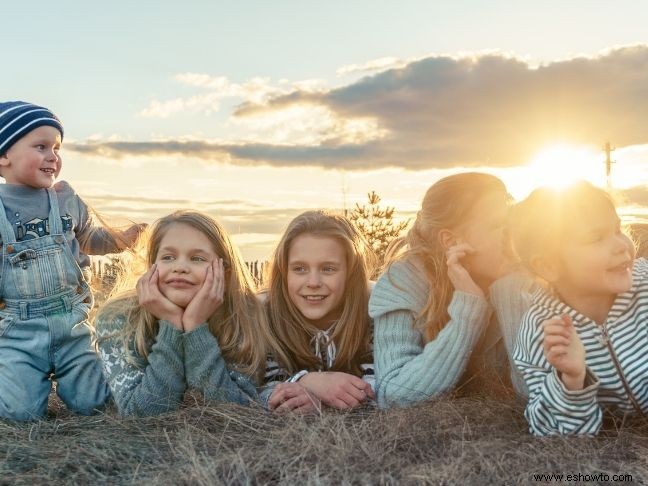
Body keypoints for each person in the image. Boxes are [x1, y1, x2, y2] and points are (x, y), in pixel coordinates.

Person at [0, 101, 143, 420]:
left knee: (93, 402)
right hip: (18, 330)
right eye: (41, 146)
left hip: (72, 322)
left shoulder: (65, 199)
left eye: (57, 147)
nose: (53, 156)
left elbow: (90, 238)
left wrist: (124, 238)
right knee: (18, 413)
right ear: (3, 156)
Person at [369, 172, 533, 408]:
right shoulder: (403, 283)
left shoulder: (527, 279)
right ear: (451, 240)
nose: (512, 235)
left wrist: (510, 290)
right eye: (498, 225)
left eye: (511, 222)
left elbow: (539, 395)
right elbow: (393, 395)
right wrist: (468, 310)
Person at [95, 210, 279, 416]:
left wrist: (195, 326)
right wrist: (171, 323)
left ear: (225, 273)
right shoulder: (118, 318)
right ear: (151, 267)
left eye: (197, 258)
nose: (180, 267)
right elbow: (141, 412)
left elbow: (233, 407)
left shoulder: (244, 318)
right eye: (168, 257)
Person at [511, 181, 646, 436]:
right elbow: (552, 433)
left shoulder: (645, 285)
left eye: (617, 229)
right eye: (597, 238)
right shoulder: (544, 333)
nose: (621, 245)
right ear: (549, 266)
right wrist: (571, 380)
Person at [261, 210, 376, 412]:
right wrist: (307, 381)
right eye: (300, 269)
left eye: (328, 269)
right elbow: (264, 390)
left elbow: (381, 388)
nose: (313, 283)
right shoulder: (265, 317)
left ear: (350, 273)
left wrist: (324, 401)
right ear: (284, 271)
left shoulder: (374, 313)